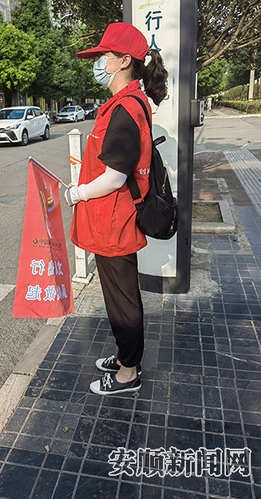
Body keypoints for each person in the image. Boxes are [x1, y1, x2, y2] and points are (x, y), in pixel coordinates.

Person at [64, 22, 168, 396]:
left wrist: (77, 193)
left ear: (124, 60)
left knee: (123, 300)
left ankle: (128, 373)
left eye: (104, 56)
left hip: (114, 220)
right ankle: (127, 357)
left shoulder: (125, 108)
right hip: (112, 219)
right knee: (119, 295)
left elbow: (113, 177)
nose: (99, 62)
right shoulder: (124, 103)